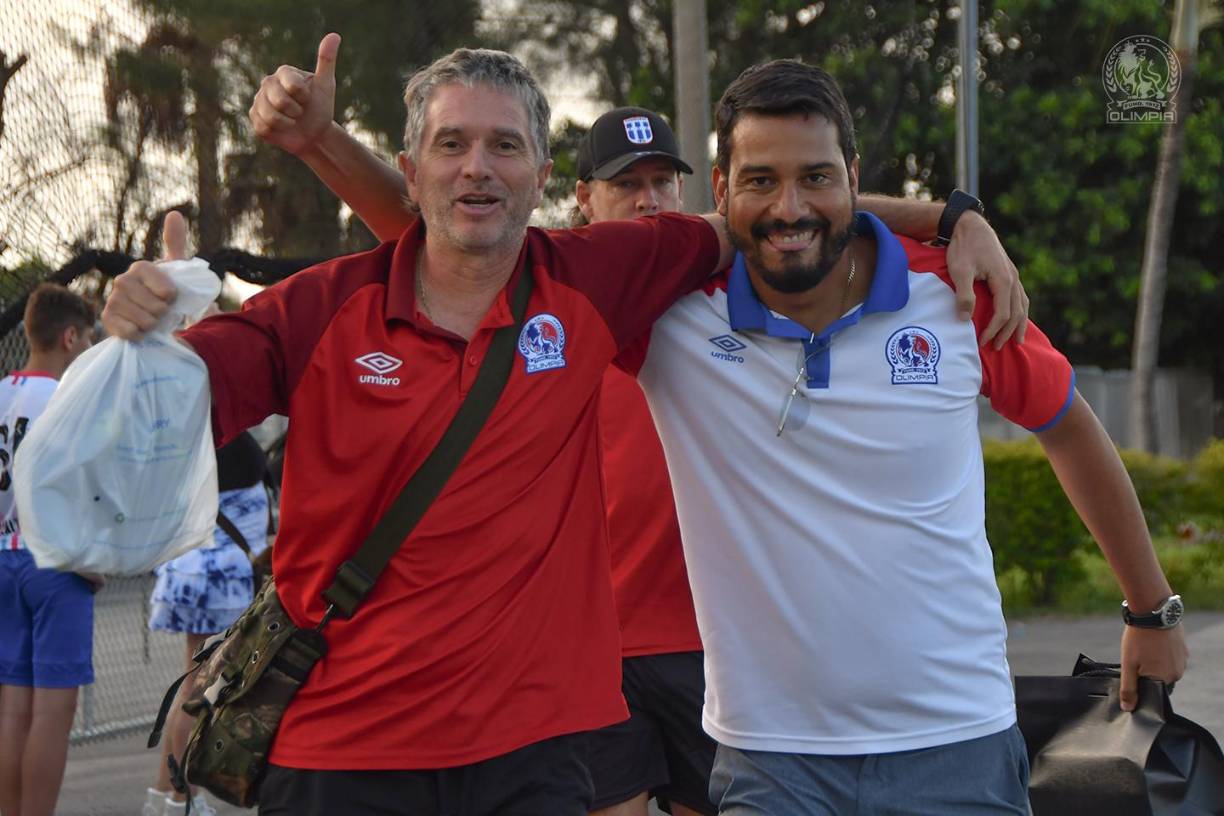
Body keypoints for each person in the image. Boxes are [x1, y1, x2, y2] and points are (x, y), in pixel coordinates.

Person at [252, 43, 1186, 813]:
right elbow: (462, 244)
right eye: (761, 182)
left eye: (818, 178)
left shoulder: (955, 297)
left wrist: (1149, 609)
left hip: (959, 748)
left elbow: (1068, 425)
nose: (789, 207)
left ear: (854, 181)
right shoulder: (668, 310)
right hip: (770, 763)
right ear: (726, 197)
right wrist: (327, 143)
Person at [0, 283, 96, 816]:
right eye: (85, 340)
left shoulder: (2, 391)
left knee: (12, 708)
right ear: (68, 337)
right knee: (52, 714)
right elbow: (88, 487)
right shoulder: (67, 399)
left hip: (4, 554)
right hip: (55, 563)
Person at [142, 426, 270, 816]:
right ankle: (184, 799)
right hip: (214, 578)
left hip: (203, 573)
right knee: (198, 696)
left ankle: (162, 797)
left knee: (191, 690)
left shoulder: (192, 436)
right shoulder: (221, 435)